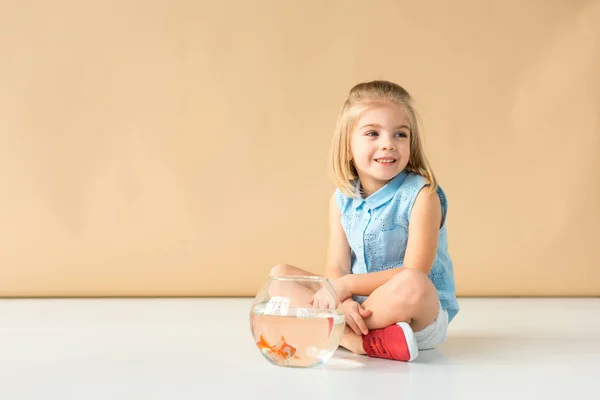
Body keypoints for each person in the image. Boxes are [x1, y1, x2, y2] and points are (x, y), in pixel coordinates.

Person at [269, 80, 459, 362]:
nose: (388, 144)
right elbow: (336, 266)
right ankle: (357, 341)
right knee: (280, 276)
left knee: (414, 283)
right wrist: (343, 301)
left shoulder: (422, 196)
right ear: (347, 148)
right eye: (372, 133)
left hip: (416, 316)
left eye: (400, 135)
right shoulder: (341, 200)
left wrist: (345, 288)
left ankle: (335, 333)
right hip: (358, 309)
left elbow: (414, 270)